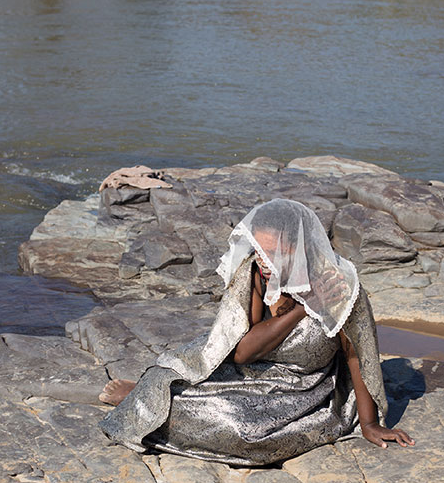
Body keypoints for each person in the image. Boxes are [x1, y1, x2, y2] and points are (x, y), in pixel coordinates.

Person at [98, 198, 414, 466]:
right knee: (163, 378)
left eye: (271, 251)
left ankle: (144, 404)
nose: (262, 260)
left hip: (305, 386)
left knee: (245, 430)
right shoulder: (256, 275)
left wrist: (370, 423)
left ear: (297, 246)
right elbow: (243, 352)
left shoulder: (339, 285)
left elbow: (356, 354)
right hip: (249, 369)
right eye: (257, 248)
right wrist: (304, 308)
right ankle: (145, 398)